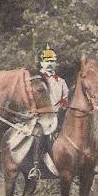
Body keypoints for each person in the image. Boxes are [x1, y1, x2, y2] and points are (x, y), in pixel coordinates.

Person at [28, 44, 69, 179]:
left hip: (59, 115)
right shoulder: (38, 81)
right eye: (47, 61)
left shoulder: (61, 81)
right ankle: (35, 167)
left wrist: (63, 104)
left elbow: (65, 97)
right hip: (43, 116)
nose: (50, 64)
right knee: (41, 134)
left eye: (52, 61)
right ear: (42, 63)